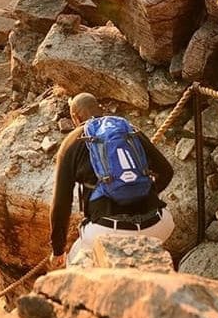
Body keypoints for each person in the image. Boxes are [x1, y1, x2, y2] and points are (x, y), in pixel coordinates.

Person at [49, 92, 175, 266]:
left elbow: (61, 204)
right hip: (158, 225)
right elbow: (166, 171)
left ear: (75, 117)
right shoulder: (128, 130)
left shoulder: (72, 141)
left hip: (105, 231)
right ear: (101, 109)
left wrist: (58, 250)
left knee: (75, 259)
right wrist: (140, 191)